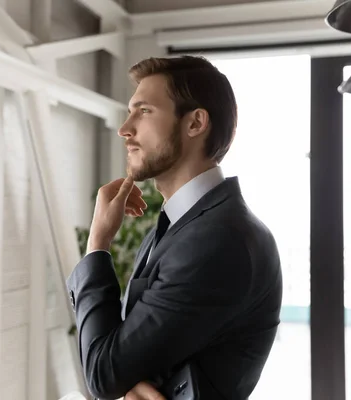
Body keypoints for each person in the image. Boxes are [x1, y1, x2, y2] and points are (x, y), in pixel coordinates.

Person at [66, 55, 282, 400]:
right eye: (129, 112)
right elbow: (123, 363)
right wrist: (126, 380)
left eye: (144, 111)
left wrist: (98, 244)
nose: (125, 129)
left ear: (195, 123)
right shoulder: (175, 229)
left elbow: (104, 374)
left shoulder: (218, 239)